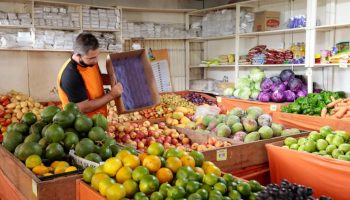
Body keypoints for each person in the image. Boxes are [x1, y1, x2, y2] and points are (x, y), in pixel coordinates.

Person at [57, 32, 123, 117]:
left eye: (97, 55)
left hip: (98, 119)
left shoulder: (90, 62)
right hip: (84, 125)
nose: (96, 60)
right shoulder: (70, 75)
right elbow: (83, 107)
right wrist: (111, 95)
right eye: (92, 58)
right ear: (78, 55)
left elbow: (96, 79)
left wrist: (113, 78)